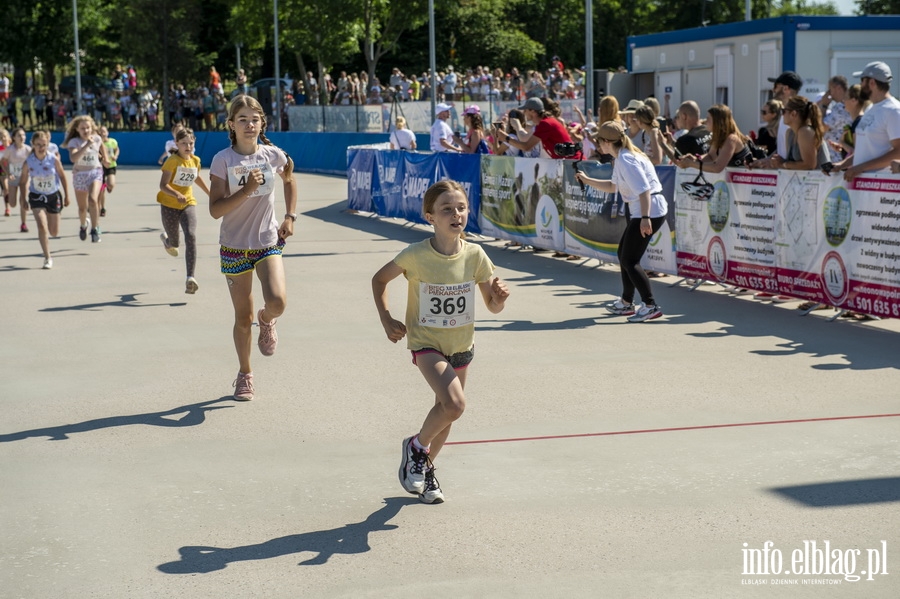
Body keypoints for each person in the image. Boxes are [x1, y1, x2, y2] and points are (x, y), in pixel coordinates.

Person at [371, 180, 510, 504]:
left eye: (461, 208)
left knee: (446, 410)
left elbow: (492, 304)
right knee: (455, 404)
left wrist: (500, 299)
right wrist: (386, 318)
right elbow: (379, 279)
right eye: (447, 209)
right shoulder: (416, 255)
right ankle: (416, 447)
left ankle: (425, 469)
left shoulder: (476, 255)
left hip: (461, 344)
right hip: (426, 342)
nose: (456, 214)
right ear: (430, 216)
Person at [208, 95, 298, 402]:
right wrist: (246, 191)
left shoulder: (273, 155)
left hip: (267, 243)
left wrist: (289, 216)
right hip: (234, 247)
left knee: (278, 301)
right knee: (242, 318)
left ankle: (268, 318)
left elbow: (289, 178)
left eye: (254, 119)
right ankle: (245, 374)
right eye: (242, 120)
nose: (249, 125)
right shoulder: (223, 160)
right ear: (231, 125)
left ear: (263, 124)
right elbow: (216, 210)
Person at [575, 121, 668, 322]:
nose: (598, 146)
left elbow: (644, 190)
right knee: (623, 255)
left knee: (630, 260)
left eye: (599, 141)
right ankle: (627, 303)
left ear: (607, 142)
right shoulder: (622, 157)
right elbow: (612, 186)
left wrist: (644, 218)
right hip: (643, 210)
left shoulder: (627, 160)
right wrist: (587, 179)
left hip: (648, 211)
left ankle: (650, 305)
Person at [158, 127, 210, 294]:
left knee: (191, 235)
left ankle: (190, 277)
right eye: (184, 144)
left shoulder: (195, 161)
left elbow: (196, 177)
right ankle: (167, 240)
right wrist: (176, 193)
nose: (188, 146)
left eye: (191, 143)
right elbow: (163, 185)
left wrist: (210, 193)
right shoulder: (172, 161)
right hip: (169, 205)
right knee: (175, 244)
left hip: (188, 203)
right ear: (177, 144)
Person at [836, 61, 900, 180]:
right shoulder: (871, 108)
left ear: (872, 82)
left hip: (880, 187)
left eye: (862, 81)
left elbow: (898, 152)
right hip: (863, 186)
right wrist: (842, 165)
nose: (860, 85)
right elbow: (865, 151)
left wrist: (860, 168)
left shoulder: (894, 110)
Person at [19, 131, 70, 269]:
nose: (41, 147)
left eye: (44, 145)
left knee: (54, 232)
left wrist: (67, 195)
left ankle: (53, 214)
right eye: (38, 145)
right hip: (36, 196)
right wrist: (23, 199)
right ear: (33, 145)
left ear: (48, 145)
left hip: (53, 195)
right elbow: (23, 181)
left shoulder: (53, 159)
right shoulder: (28, 162)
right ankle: (47, 257)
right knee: (42, 225)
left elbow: (63, 176)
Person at [64, 115, 109, 243]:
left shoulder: (97, 139)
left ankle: (95, 229)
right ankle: (83, 225)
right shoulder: (74, 142)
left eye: (88, 127)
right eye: (83, 128)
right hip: (80, 174)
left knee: (93, 200)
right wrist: (87, 144)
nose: (86, 130)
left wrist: (106, 159)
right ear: (77, 129)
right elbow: (73, 158)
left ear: (92, 128)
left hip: (95, 172)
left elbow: (102, 148)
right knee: (82, 208)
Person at [676, 104, 751, 173]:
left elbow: (717, 167)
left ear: (717, 122)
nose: (705, 122)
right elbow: (711, 156)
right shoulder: (718, 137)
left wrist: (691, 164)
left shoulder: (731, 139)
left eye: (708, 119)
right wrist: (695, 159)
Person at [761, 96, 829, 171]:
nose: (782, 115)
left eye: (783, 111)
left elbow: (810, 164)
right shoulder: (791, 133)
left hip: (818, 181)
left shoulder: (805, 131)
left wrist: (783, 165)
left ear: (793, 114)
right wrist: (761, 162)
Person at [500, 97, 581, 159]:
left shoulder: (545, 124)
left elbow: (526, 147)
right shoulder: (545, 122)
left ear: (532, 111)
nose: (524, 113)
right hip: (569, 161)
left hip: (572, 162)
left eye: (525, 110)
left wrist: (506, 138)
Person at [767, 71, 803, 159]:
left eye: (776, 86)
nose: (773, 90)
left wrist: (784, 164)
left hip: (794, 171)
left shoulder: (796, 114)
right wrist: (766, 160)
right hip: (784, 170)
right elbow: (782, 149)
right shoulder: (785, 112)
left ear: (785, 89)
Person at [1, 127, 31, 232]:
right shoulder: (10, 150)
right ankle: (8, 195)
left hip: (24, 178)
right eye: (19, 135)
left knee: (23, 200)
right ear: (14, 138)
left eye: (23, 135)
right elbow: (2, 161)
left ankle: (23, 224)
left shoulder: (28, 149)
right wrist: (8, 173)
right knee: (13, 204)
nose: (22, 137)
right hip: (13, 177)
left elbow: (34, 162)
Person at [818, 75, 852, 163]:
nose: (829, 93)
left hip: (835, 157)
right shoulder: (848, 106)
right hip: (843, 156)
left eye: (830, 90)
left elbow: (821, 128)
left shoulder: (840, 108)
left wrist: (824, 106)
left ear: (838, 88)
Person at [98, 126, 119, 217]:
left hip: (111, 165)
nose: (103, 133)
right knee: (101, 190)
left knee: (111, 184)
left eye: (104, 131)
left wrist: (115, 156)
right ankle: (102, 207)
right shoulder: (97, 143)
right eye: (101, 132)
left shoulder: (112, 141)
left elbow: (117, 149)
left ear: (107, 132)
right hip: (100, 167)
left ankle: (107, 184)